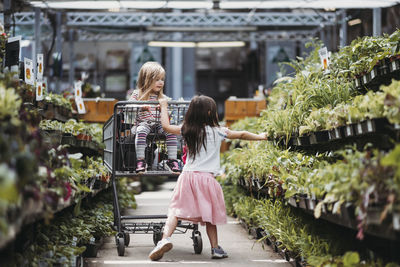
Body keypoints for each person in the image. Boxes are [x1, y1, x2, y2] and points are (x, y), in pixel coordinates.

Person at [148, 95, 267, 261]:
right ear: (210, 112)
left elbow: (166, 127)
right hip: (207, 179)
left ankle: (164, 240)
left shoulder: (187, 129)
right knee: (209, 216)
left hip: (188, 177)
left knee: (175, 210)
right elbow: (242, 134)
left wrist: (163, 106)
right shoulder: (218, 131)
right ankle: (215, 248)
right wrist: (261, 136)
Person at [129, 61, 181, 173]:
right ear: (146, 79)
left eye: (162, 79)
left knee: (171, 131)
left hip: (159, 125)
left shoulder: (162, 97)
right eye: (157, 79)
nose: (160, 82)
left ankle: (172, 160)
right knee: (141, 131)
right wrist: (140, 107)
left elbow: (169, 114)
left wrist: (164, 109)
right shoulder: (137, 94)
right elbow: (128, 106)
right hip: (144, 123)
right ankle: (141, 160)